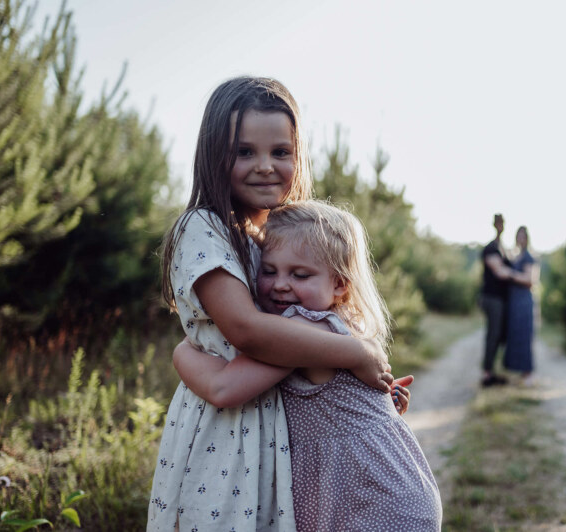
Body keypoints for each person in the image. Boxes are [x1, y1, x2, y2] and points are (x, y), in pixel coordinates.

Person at [148, 77, 395, 532]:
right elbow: (248, 331)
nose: (265, 166)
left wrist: (361, 391)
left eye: (280, 152)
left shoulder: (275, 239)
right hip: (224, 433)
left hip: (273, 432)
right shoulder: (205, 227)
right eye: (245, 152)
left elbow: (317, 320)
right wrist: (359, 353)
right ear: (213, 155)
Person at [173, 200, 443, 531]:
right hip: (387, 491)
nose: (282, 284)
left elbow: (224, 387)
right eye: (269, 271)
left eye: (300, 274)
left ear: (340, 284)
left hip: (375, 502)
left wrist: (182, 353)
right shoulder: (340, 323)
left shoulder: (303, 328)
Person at [503, 226, 540, 387]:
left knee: (525, 336)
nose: (520, 238)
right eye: (518, 235)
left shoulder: (529, 257)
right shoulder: (517, 256)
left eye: (523, 236)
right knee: (516, 335)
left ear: (527, 238)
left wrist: (509, 274)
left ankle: (528, 373)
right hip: (514, 302)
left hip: (524, 301)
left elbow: (529, 280)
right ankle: (520, 371)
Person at [479, 213, 512, 387]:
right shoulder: (491, 248)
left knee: (499, 335)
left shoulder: (503, 248)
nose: (501, 226)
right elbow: (499, 272)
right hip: (492, 298)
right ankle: (487, 374)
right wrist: (522, 276)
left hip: (501, 299)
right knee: (493, 334)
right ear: (495, 225)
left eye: (503, 223)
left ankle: (491, 370)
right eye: (498, 223)